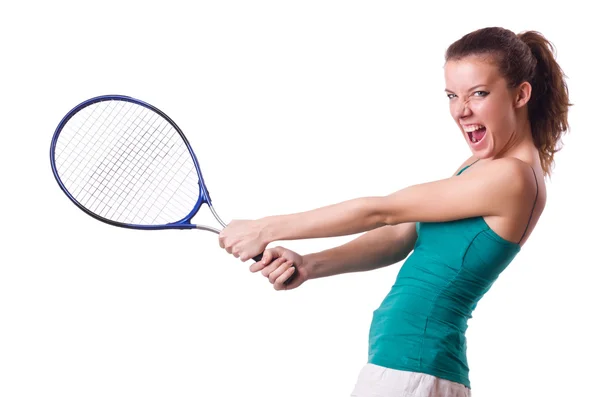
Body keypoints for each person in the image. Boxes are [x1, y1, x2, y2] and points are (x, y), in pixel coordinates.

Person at [218, 26, 571, 397]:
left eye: (478, 94)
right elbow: (400, 232)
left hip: (415, 371)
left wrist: (266, 228)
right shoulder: (482, 166)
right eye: (452, 95)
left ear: (521, 94)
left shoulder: (512, 177)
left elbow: (381, 211)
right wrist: (309, 265)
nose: (461, 110)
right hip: (409, 367)